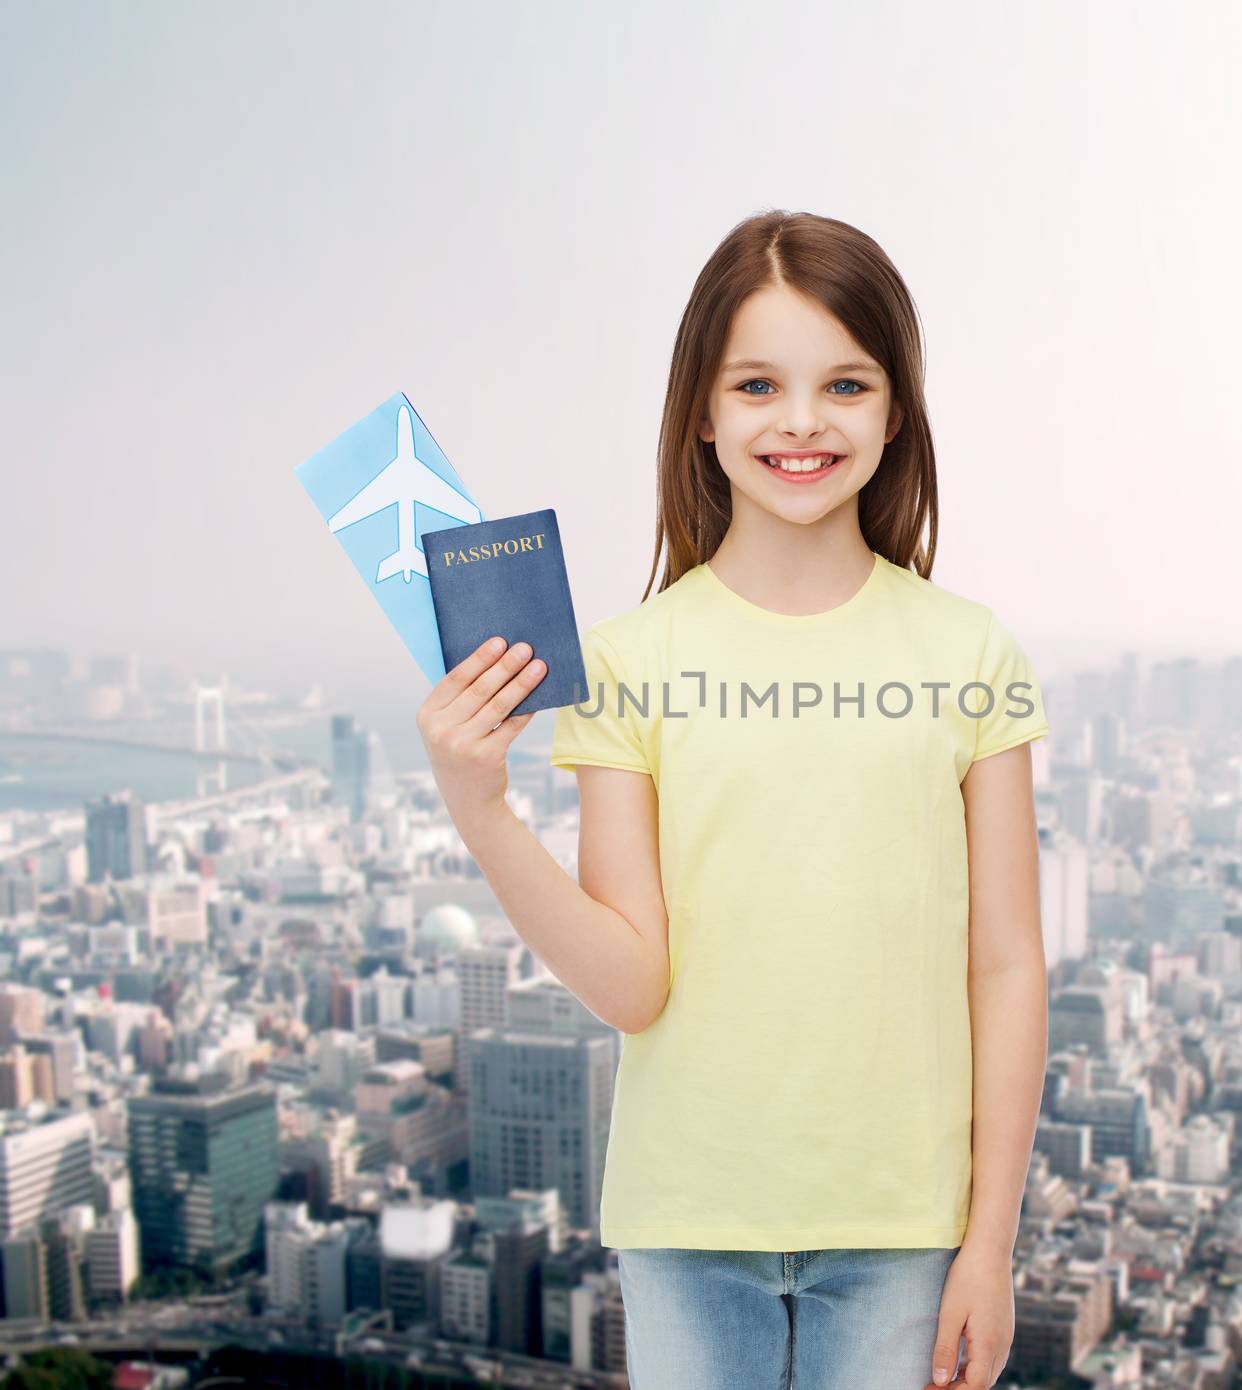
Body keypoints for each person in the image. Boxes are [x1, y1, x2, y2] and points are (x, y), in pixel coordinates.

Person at [417, 209, 1050, 1390]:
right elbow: (632, 980)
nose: (801, 421)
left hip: (906, 1220)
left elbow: (1007, 962)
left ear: (895, 410)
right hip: (686, 1220)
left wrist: (992, 1241)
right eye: (757, 383)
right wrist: (483, 810)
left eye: (844, 384)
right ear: (701, 414)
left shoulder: (971, 653)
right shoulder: (630, 658)